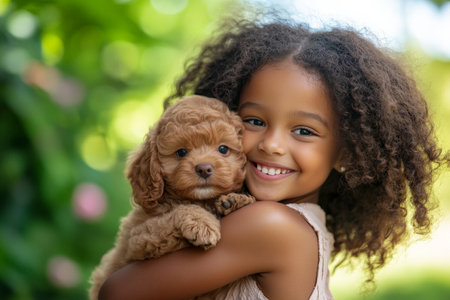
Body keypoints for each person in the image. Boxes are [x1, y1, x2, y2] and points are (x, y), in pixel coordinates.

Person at [98, 15, 449, 300]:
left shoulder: (270, 224)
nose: (272, 144)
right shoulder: (303, 223)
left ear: (346, 152)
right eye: (254, 121)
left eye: (304, 131)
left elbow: (117, 291)